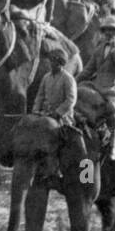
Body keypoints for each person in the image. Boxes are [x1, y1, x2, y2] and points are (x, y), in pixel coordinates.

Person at [79, 17, 115, 161]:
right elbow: (89, 70)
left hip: (113, 88)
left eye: (112, 30)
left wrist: (114, 49)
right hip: (96, 85)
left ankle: (112, 145)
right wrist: (75, 80)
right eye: (106, 30)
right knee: (78, 94)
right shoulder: (99, 49)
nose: (109, 33)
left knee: (111, 109)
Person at [32, 47, 76, 180]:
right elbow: (40, 96)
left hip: (63, 117)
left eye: (53, 62)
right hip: (45, 113)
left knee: (60, 139)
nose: (50, 64)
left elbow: (71, 99)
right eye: (50, 61)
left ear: (60, 63)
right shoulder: (46, 77)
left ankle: (58, 167)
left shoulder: (68, 79)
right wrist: (35, 110)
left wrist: (58, 113)